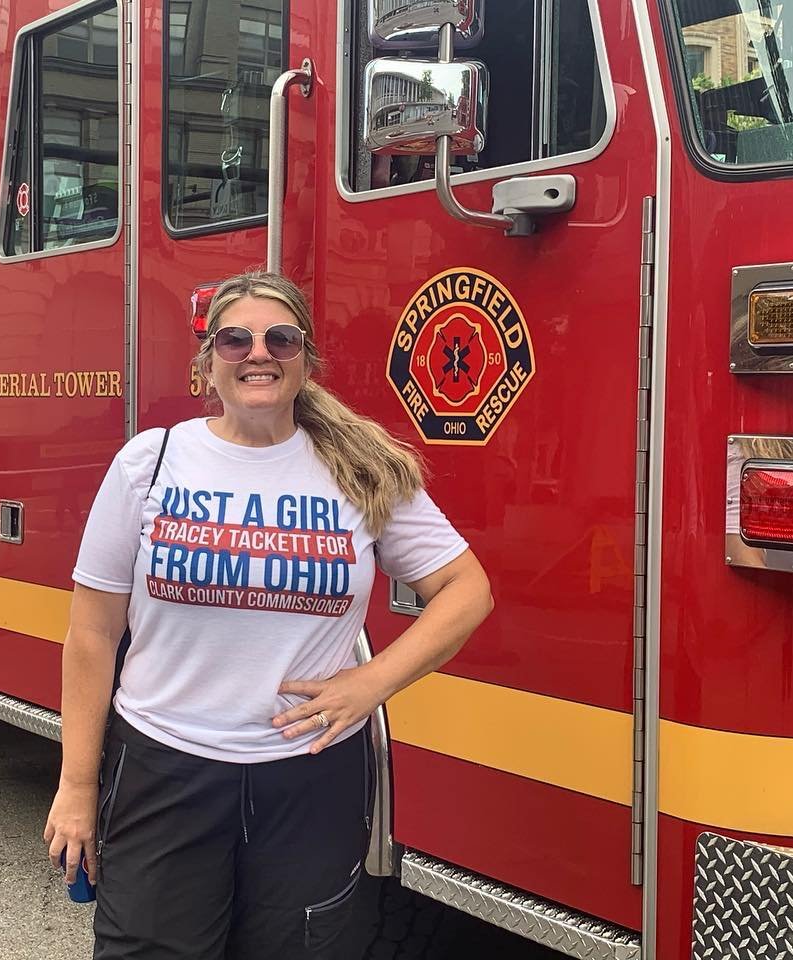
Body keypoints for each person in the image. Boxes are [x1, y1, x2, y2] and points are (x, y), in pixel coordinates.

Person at [43, 271, 494, 959]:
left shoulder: (359, 470)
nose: (259, 353)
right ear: (207, 366)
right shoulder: (153, 462)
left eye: (280, 338)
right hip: (165, 766)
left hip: (308, 777)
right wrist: (76, 786)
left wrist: (372, 685)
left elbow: (467, 590)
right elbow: (92, 634)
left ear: (305, 361)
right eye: (235, 339)